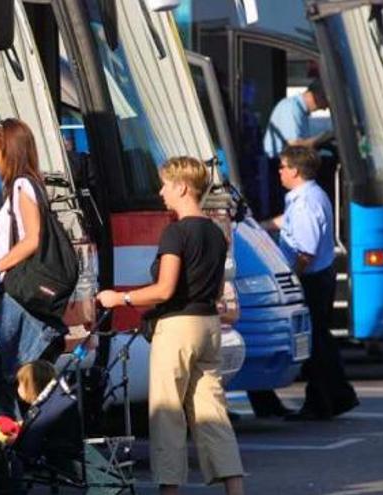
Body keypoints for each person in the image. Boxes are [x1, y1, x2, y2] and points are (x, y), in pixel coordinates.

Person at [98, 157, 244, 495]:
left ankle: (169, 491)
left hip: (177, 327)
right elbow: (217, 285)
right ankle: (235, 490)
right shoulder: (216, 233)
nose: (161, 191)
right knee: (214, 414)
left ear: (181, 187)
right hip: (209, 325)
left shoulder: (175, 232)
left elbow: (164, 289)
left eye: (165, 184)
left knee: (167, 414)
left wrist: (119, 299)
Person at [0, 118, 65, 423]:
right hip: (18, 294)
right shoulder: (29, 185)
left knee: (6, 386)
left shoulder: (22, 185)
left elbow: (32, 239)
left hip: (15, 296)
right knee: (20, 382)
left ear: (9, 151)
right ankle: (24, 456)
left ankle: (7, 458)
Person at [265, 146, 358, 421]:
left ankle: (328, 399)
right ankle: (333, 397)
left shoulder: (305, 202)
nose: (279, 171)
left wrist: (291, 278)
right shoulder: (306, 196)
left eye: (282, 166)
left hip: (311, 279)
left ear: (294, 170)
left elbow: (305, 251)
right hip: (320, 275)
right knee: (319, 340)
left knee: (315, 342)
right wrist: (262, 225)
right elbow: (288, 223)